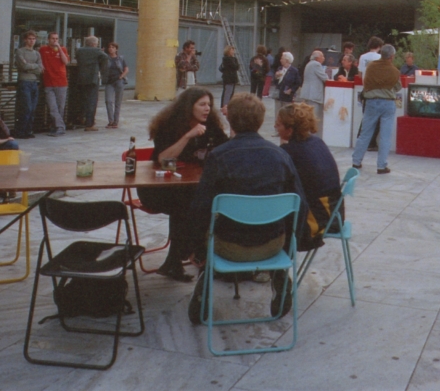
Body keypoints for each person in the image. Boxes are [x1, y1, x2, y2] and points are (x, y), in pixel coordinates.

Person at [187, 93, 308, 319]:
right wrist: (288, 249)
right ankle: (279, 274)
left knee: (209, 229)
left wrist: (198, 248)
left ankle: (206, 279)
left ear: (230, 120)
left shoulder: (218, 156)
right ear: (261, 121)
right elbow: (300, 206)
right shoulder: (281, 156)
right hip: (272, 244)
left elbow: (200, 208)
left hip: (228, 246)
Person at [138, 87, 230, 281]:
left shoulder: (210, 124)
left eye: (209, 105)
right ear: (189, 107)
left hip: (187, 187)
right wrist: (188, 135)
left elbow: (229, 148)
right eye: (202, 104)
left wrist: (233, 123)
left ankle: (178, 259)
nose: (207, 109)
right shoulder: (169, 126)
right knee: (189, 204)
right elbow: (163, 158)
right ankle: (195, 252)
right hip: (156, 189)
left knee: (197, 200)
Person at [274, 102, 342, 252]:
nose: (275, 127)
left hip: (318, 220)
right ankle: (277, 272)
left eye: (278, 125)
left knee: (270, 218)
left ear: (290, 130)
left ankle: (274, 270)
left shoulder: (290, 152)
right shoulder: (316, 142)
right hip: (335, 212)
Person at [352, 44, 401, 174]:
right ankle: (381, 165)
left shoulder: (371, 66)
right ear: (392, 56)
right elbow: (398, 87)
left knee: (365, 133)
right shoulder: (394, 71)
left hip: (371, 102)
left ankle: (356, 161)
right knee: (385, 135)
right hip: (388, 103)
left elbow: (366, 82)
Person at [73, 36, 108, 132]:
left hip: (81, 78)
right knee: (92, 101)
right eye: (96, 43)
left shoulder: (79, 50)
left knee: (83, 100)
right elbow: (105, 57)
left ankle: (81, 118)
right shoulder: (96, 51)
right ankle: (90, 124)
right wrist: (100, 67)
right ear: (93, 44)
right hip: (92, 79)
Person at [39, 32, 70, 136]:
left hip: (61, 82)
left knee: (60, 107)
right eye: (53, 38)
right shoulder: (43, 49)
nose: (55, 40)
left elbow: (66, 62)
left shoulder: (63, 49)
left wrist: (59, 49)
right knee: (52, 107)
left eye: (56, 39)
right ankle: (60, 127)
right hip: (49, 82)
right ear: (48, 39)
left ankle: (56, 127)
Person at [13, 31, 42, 138]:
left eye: (33, 39)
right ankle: (21, 131)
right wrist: (34, 66)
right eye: (30, 39)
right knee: (26, 108)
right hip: (24, 82)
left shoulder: (37, 53)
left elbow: (40, 69)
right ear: (25, 39)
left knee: (33, 108)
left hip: (34, 82)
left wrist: (30, 66)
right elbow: (22, 66)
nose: (32, 41)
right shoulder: (20, 51)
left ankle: (29, 131)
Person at [299, 50, 327, 136]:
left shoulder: (309, 64)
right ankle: (314, 137)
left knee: (308, 117)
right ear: (317, 57)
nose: (324, 58)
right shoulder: (316, 64)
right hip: (314, 95)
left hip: (308, 94)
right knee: (314, 118)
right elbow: (324, 77)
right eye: (322, 56)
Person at [103, 42, 129, 128]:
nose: (111, 49)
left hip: (118, 81)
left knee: (117, 102)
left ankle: (115, 122)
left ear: (116, 49)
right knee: (108, 101)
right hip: (109, 81)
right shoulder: (106, 58)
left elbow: (126, 69)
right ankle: (110, 120)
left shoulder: (120, 59)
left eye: (113, 47)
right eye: (109, 47)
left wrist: (122, 76)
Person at [274, 52, 301, 117]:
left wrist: (291, 90)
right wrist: (276, 76)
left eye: (282, 58)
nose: (280, 60)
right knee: (278, 114)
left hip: (287, 96)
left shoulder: (294, 71)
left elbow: (298, 83)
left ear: (287, 60)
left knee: (286, 115)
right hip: (279, 95)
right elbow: (275, 82)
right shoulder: (280, 68)